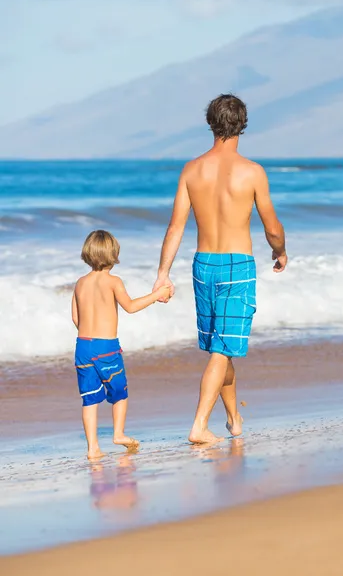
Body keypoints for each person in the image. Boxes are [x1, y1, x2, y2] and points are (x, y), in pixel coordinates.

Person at [153, 94, 287, 444]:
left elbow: (175, 227)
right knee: (222, 349)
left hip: (203, 265)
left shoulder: (191, 169)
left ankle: (233, 419)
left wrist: (163, 273)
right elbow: (271, 226)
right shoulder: (252, 172)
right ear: (242, 124)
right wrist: (280, 251)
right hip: (237, 266)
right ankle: (198, 425)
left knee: (220, 346)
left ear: (210, 123)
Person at [72, 229, 171, 459]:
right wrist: (156, 295)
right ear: (113, 255)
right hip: (106, 347)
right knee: (119, 392)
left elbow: (76, 318)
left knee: (89, 398)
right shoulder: (113, 281)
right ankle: (118, 434)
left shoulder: (79, 283)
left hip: (83, 346)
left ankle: (92, 448)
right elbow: (130, 306)